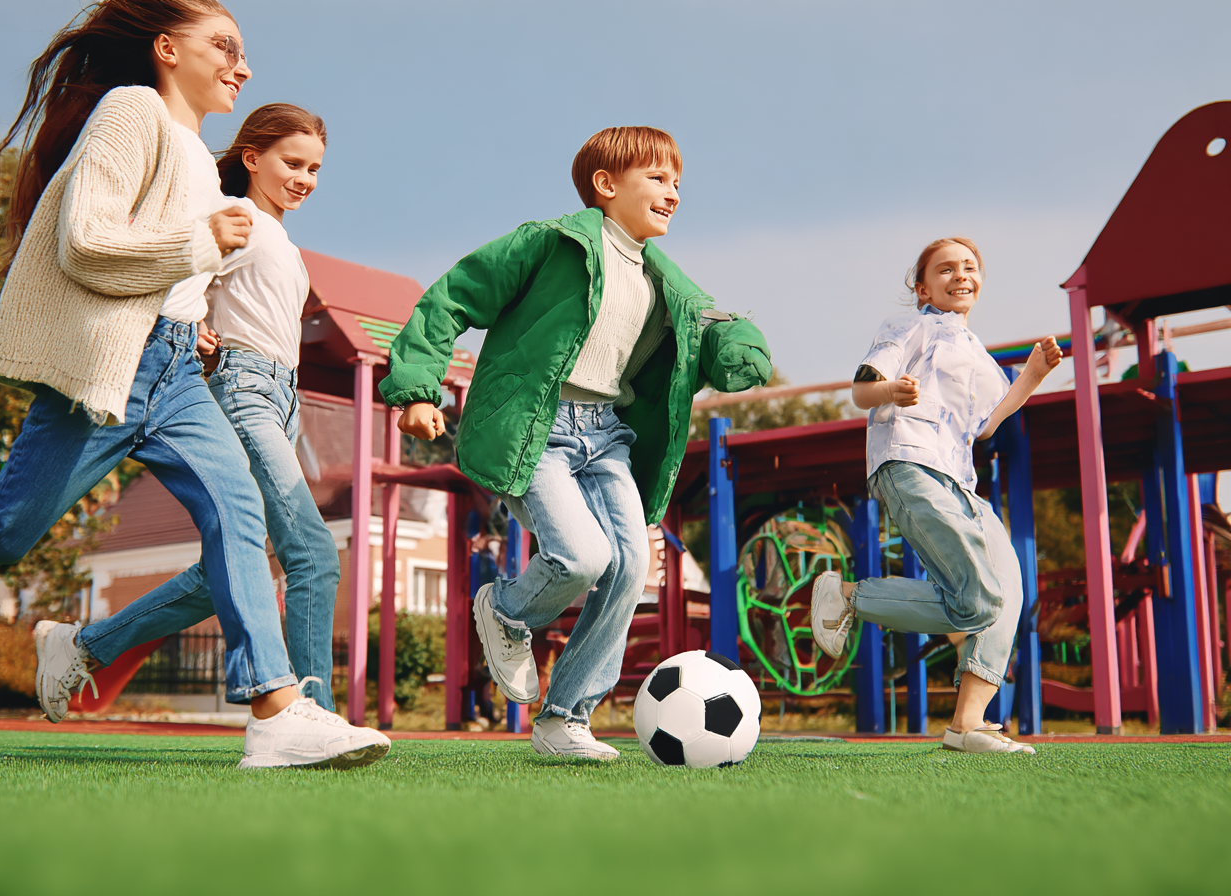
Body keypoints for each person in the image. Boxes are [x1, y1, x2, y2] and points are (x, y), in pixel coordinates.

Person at [0, 0, 384, 770]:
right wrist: (197, 246)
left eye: (243, 51)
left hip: (181, 371)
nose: (241, 66)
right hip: (111, 371)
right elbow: (87, 241)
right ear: (165, 47)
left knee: (238, 512)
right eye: (223, 46)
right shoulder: (131, 111)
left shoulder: (193, 151)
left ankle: (276, 711)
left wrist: (196, 316)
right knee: (4, 532)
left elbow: (168, 273)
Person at [380, 127, 773, 760]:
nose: (673, 192)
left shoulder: (667, 282)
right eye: (658, 178)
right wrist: (417, 388)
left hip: (607, 436)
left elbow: (713, 331)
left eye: (678, 182)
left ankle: (565, 717)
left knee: (630, 567)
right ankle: (508, 612)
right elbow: (453, 297)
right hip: (538, 425)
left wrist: (739, 350)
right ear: (606, 185)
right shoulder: (550, 243)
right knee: (583, 557)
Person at [71, 103, 352, 722]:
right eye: (292, 162)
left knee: (239, 561)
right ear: (252, 158)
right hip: (242, 389)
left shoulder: (281, 237)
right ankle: (311, 714)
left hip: (283, 399)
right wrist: (191, 326)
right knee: (311, 552)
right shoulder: (239, 218)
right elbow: (171, 279)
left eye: (315, 168)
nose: (305, 178)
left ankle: (87, 646)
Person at [810, 236, 1061, 754]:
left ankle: (966, 725)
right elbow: (861, 390)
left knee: (1005, 593)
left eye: (969, 267)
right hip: (909, 463)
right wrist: (889, 392)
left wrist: (1033, 377)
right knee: (979, 597)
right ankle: (849, 597)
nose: (960, 275)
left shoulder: (974, 351)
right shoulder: (910, 326)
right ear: (923, 287)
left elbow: (986, 424)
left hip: (960, 481)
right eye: (946, 269)